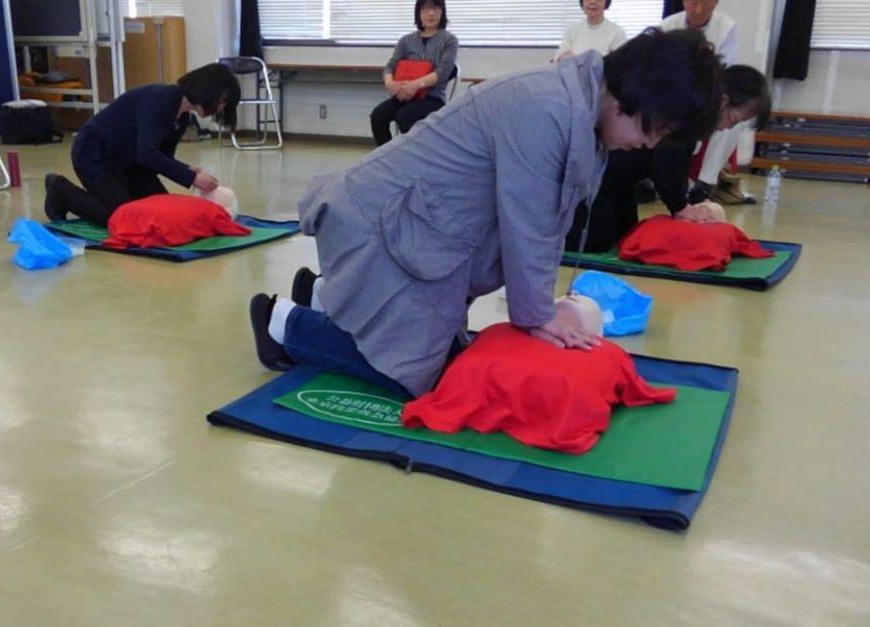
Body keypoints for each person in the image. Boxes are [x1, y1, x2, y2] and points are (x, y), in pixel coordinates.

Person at [250, 29, 724, 398]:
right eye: (654, 129)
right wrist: (540, 314)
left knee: (455, 356)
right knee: (415, 374)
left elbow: (547, 224)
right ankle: (284, 323)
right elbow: (530, 226)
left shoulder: (581, 106)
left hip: (416, 230)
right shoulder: (547, 108)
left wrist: (546, 308)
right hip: (380, 224)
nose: (650, 144)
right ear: (632, 95)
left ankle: (325, 295)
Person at [566, 64, 771, 253]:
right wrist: (680, 207)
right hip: (597, 172)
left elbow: (674, 164)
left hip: (621, 181)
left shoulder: (695, 113)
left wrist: (683, 204)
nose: (727, 127)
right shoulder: (687, 110)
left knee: (625, 237)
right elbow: (667, 162)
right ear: (724, 100)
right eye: (733, 120)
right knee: (592, 244)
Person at [43, 63, 240, 224]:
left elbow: (160, 157)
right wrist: (191, 178)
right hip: (95, 154)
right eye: (222, 101)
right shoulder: (160, 99)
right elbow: (147, 154)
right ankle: (60, 190)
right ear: (208, 91)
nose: (220, 108)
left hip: (131, 162)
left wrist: (187, 169)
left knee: (162, 211)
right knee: (122, 216)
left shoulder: (182, 118)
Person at [660, 0, 749, 204]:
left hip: (707, 92)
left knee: (734, 116)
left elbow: (726, 69)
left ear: (716, 3)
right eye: (693, 3)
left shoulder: (727, 27)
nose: (698, 10)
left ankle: (705, 182)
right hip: (672, 95)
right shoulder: (668, 25)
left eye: (706, 4)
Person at [370, 0, 459, 146]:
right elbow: (391, 66)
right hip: (404, 95)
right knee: (378, 116)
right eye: (426, 8)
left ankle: (417, 155)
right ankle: (390, 155)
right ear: (418, 12)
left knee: (405, 117)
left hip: (433, 97)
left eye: (436, 8)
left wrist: (417, 85)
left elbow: (443, 72)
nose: (431, 13)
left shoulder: (449, 40)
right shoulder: (406, 40)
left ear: (442, 12)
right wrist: (389, 83)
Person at [553, 0, 627, 61]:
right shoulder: (572, 30)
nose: (593, 1)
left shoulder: (617, 32)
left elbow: (619, 65)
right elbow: (559, 58)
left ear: (606, 2)